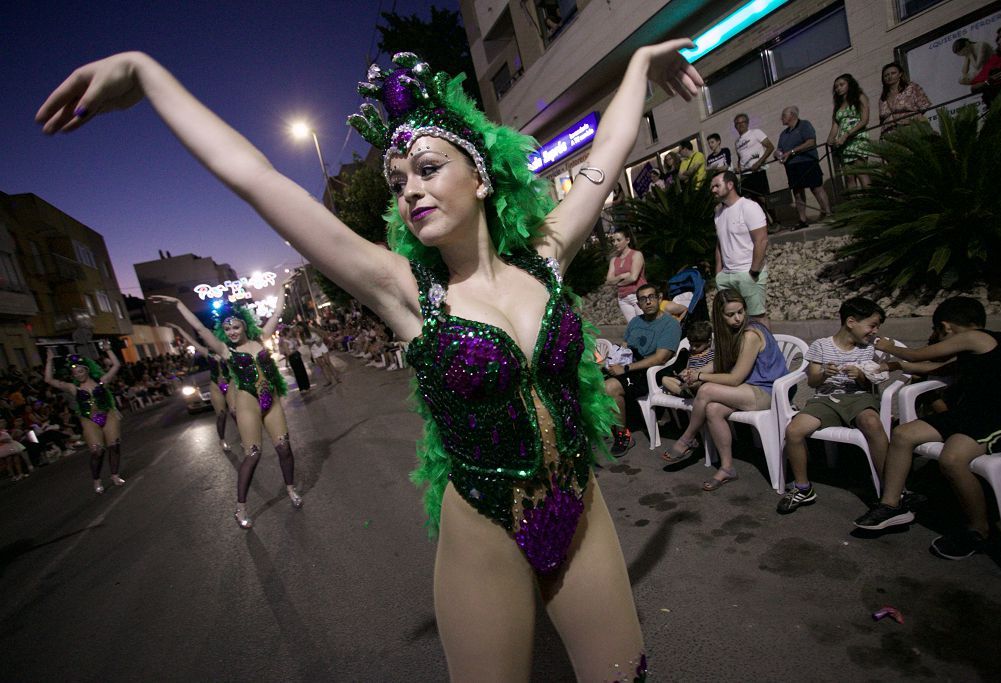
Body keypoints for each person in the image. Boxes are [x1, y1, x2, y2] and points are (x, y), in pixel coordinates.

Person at [39, 40, 704, 678]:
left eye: (428, 168)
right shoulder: (408, 293)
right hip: (484, 535)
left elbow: (608, 152)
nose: (410, 189)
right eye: (398, 180)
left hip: (580, 508)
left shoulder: (547, 258)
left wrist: (641, 62)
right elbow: (257, 178)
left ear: (480, 175)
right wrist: (146, 75)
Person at [854, 297, 1001, 561]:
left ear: (945, 327)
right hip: (967, 416)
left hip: (1000, 419)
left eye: (937, 332)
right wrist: (895, 366)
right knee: (903, 434)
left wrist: (889, 348)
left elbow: (920, 355)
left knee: (952, 459)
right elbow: (936, 367)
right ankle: (891, 505)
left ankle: (979, 529)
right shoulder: (976, 352)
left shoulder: (980, 338)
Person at [150, 293, 300, 529]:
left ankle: (290, 488)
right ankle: (240, 507)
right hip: (247, 404)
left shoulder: (261, 339)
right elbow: (200, 328)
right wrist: (178, 304)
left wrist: (282, 288)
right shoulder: (224, 350)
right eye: (227, 328)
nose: (231, 331)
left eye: (235, 326)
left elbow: (277, 312)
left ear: (244, 325)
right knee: (253, 454)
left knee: (284, 448)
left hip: (271, 402)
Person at [659, 290, 789, 490]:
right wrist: (694, 372)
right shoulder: (728, 334)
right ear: (720, 316)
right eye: (730, 314)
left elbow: (735, 378)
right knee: (713, 409)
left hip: (769, 391)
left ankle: (688, 438)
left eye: (740, 311)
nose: (737, 318)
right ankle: (727, 468)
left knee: (707, 390)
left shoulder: (750, 334)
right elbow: (721, 364)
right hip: (749, 388)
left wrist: (700, 377)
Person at [777, 297, 888, 514]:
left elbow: (874, 380)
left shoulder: (868, 348)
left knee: (872, 423)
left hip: (858, 397)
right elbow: (812, 382)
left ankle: (891, 488)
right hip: (826, 399)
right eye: (872, 325)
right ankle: (803, 487)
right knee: (793, 431)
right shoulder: (821, 345)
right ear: (851, 322)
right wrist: (823, 374)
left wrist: (861, 376)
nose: (874, 331)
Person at [603, 283, 682, 455]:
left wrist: (625, 368)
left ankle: (623, 436)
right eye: (643, 299)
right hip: (631, 365)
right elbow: (625, 346)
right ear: (638, 304)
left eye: (651, 297)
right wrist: (611, 361)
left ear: (659, 298)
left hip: (651, 372)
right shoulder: (635, 322)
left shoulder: (670, 324)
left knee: (610, 387)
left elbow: (661, 358)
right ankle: (604, 424)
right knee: (592, 378)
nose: (648, 302)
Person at [44, 343, 125, 494]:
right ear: (73, 375)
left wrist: (108, 350)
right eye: (76, 373)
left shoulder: (102, 381)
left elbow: (116, 365)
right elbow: (49, 380)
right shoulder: (72, 388)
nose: (79, 374)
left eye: (81, 371)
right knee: (97, 451)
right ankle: (97, 480)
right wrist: (49, 361)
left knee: (114, 445)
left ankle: (115, 475)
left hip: (107, 415)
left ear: (87, 370)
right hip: (89, 419)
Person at [710, 170, 769, 325]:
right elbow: (720, 243)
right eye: (712, 187)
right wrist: (718, 272)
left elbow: (761, 240)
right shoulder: (718, 212)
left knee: (757, 317)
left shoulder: (749, 207)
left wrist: (753, 272)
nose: (713, 190)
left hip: (747, 273)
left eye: (717, 185)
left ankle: (768, 348)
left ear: (730, 185)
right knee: (733, 319)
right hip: (726, 276)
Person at [167, 323, 236, 451]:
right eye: (206, 338)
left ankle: (245, 436)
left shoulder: (225, 349)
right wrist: (179, 328)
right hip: (216, 386)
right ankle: (222, 440)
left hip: (230, 384)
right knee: (221, 415)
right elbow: (192, 340)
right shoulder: (206, 353)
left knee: (234, 411)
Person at [775, 105, 831, 229]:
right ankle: (802, 220)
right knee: (797, 192)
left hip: (807, 162)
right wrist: (778, 154)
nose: (781, 118)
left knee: (816, 187)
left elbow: (811, 142)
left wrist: (792, 152)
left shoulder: (805, 125)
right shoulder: (783, 134)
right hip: (791, 166)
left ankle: (828, 213)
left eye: (784, 115)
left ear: (792, 115)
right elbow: (779, 149)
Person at [828, 73, 872, 190]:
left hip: (857, 138)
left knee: (861, 172)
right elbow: (835, 126)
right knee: (849, 177)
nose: (838, 88)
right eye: (836, 87)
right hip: (843, 144)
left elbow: (864, 120)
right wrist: (830, 140)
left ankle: (872, 204)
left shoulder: (859, 97)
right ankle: (855, 207)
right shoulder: (838, 106)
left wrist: (847, 134)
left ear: (849, 84)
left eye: (841, 85)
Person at [733, 113, 775, 218]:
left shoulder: (756, 132)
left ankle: (775, 221)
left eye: (742, 122)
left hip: (758, 171)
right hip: (745, 175)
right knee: (751, 201)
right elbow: (740, 158)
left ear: (747, 123)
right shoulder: (737, 142)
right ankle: (764, 223)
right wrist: (738, 168)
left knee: (763, 197)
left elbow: (770, 147)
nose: (740, 125)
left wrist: (759, 162)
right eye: (737, 123)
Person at [658, 320, 714, 399]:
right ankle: (683, 393)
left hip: (700, 382)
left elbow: (710, 370)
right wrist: (684, 372)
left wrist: (695, 375)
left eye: (697, 346)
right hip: (687, 381)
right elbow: (688, 366)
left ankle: (683, 391)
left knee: (696, 383)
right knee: (664, 379)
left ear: (708, 342)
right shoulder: (691, 353)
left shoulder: (711, 354)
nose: (693, 348)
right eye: (691, 344)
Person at [605, 226, 648, 322]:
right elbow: (608, 280)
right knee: (633, 328)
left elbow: (633, 277)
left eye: (618, 240)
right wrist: (622, 276)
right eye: (613, 241)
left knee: (645, 325)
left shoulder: (636, 255)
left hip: (638, 295)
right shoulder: (614, 260)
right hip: (623, 298)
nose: (615, 243)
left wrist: (618, 283)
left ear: (627, 240)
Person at [878, 63, 931, 139]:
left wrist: (913, 121)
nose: (889, 77)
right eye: (886, 75)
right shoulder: (882, 98)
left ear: (900, 74)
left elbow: (924, 106)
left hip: (911, 130)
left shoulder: (911, 88)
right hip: (889, 135)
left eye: (893, 73)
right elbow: (882, 119)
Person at [281, 327, 312, 391]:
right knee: (298, 373)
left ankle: (307, 386)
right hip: (293, 358)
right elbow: (288, 353)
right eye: (289, 331)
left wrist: (297, 346)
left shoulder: (291, 339)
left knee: (303, 371)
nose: (291, 332)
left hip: (297, 355)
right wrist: (295, 350)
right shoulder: (285, 342)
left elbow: (297, 345)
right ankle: (302, 388)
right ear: (286, 332)